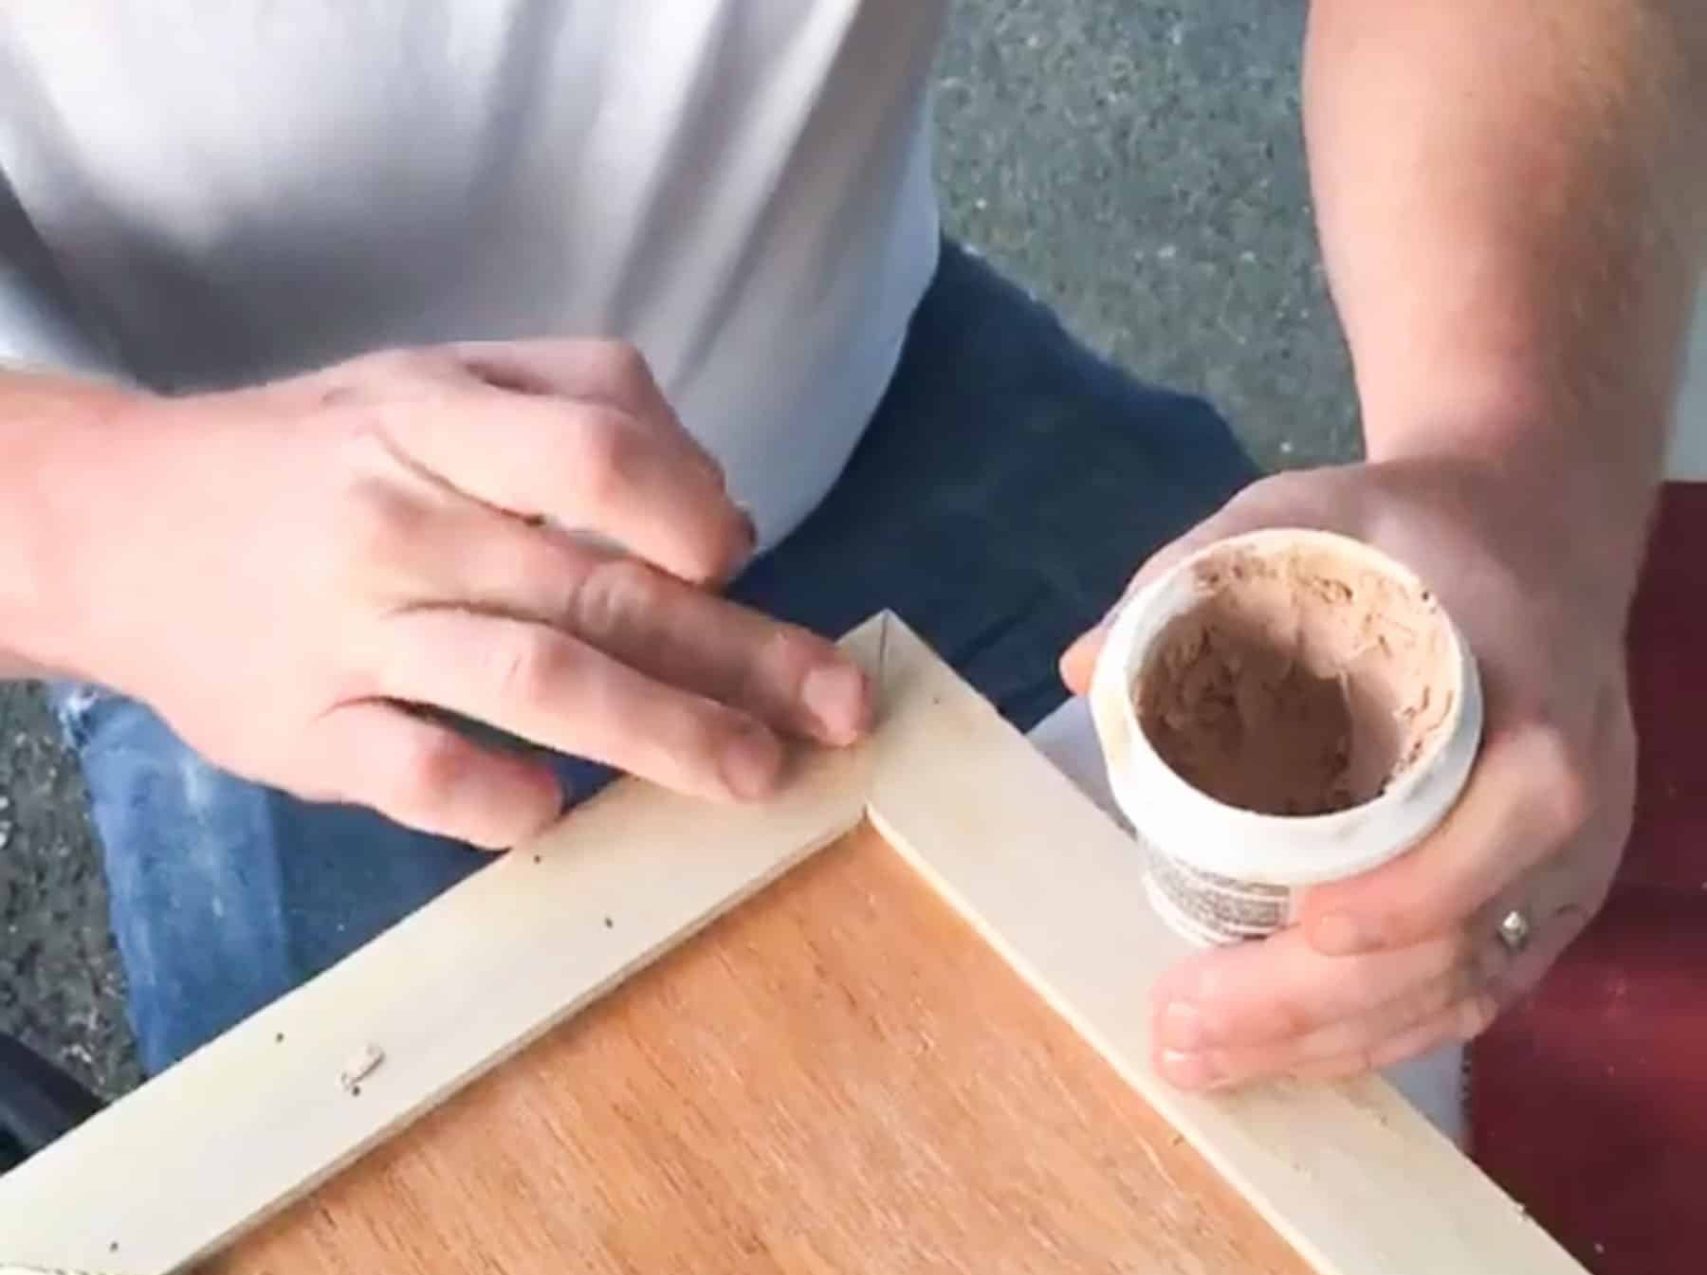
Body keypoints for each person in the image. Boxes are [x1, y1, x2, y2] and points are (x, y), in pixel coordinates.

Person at [0, 3, 1700, 1090]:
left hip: (872, 371)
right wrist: (101, 528)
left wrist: (1515, 468)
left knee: (1368, 1023)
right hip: (238, 573)